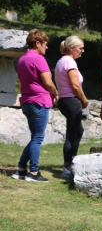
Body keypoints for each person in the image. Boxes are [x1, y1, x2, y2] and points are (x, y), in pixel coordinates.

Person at [12, 29, 58, 182]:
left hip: (27, 102)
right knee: (38, 138)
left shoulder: (22, 59)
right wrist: (55, 93)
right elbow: (48, 82)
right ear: (37, 43)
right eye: (45, 44)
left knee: (34, 138)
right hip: (40, 101)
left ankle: (20, 170)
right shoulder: (38, 59)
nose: (46, 47)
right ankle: (33, 172)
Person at [55, 35, 89, 179]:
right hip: (71, 101)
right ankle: (68, 167)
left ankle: (72, 163)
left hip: (64, 100)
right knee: (72, 134)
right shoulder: (70, 62)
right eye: (80, 48)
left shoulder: (61, 61)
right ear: (71, 48)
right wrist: (84, 99)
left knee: (78, 131)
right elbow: (75, 86)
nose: (83, 51)